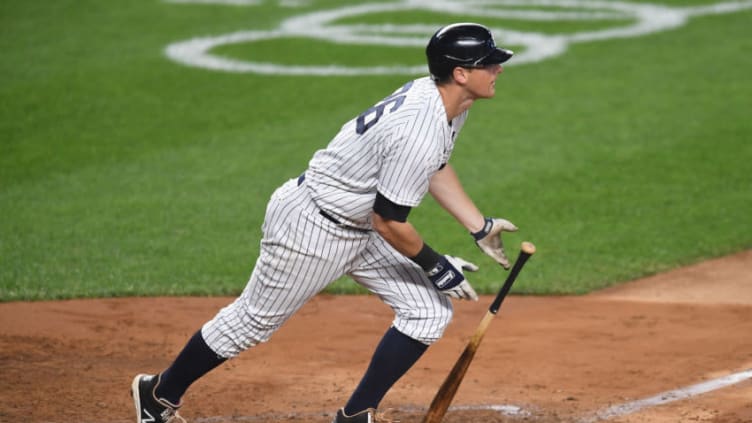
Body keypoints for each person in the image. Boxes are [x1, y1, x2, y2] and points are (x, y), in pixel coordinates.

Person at [131, 22, 518, 423]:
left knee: (427, 311)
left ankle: (355, 416)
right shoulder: (419, 128)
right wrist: (437, 266)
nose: (498, 69)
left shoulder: (444, 102)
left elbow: (433, 167)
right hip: (313, 226)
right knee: (251, 323)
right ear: (460, 74)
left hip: (357, 225)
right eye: (488, 63)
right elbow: (388, 220)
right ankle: (158, 394)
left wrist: (479, 226)